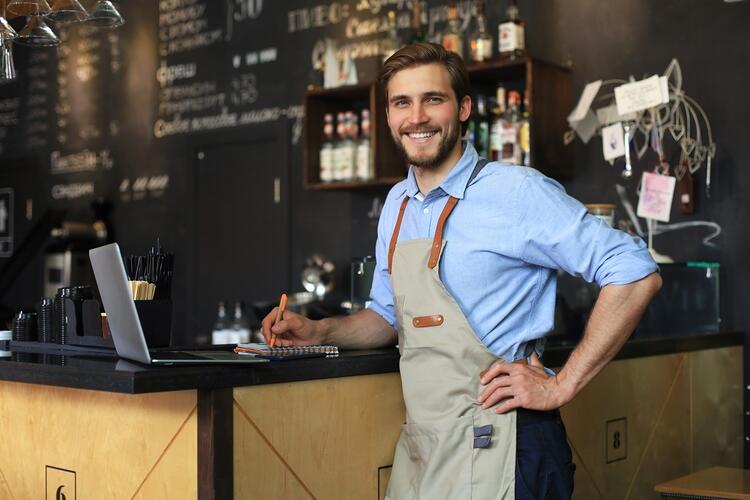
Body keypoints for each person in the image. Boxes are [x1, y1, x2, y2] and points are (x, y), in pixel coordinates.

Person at [262, 43, 661, 499]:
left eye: (433, 99)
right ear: (388, 117)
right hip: (427, 450)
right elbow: (387, 317)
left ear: (465, 107)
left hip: (507, 449)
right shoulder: (397, 205)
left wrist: (562, 384)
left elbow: (634, 270)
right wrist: (320, 332)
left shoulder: (514, 191)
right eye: (401, 103)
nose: (417, 117)